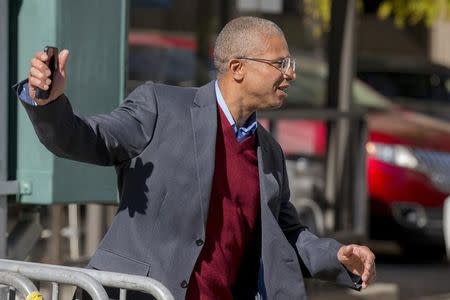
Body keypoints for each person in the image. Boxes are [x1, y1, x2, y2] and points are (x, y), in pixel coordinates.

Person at [17, 16, 375, 300]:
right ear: (238, 68)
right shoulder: (160, 106)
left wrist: (336, 256)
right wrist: (48, 105)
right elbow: (88, 139)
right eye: (281, 63)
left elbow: (285, 234)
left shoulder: (269, 151)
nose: (291, 73)